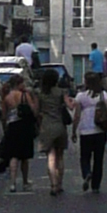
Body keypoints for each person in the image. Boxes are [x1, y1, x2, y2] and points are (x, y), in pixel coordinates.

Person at [73, 78, 107, 193]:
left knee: (85, 157)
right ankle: (96, 185)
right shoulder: (103, 95)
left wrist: (73, 131)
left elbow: (76, 115)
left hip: (85, 131)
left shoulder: (81, 96)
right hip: (100, 130)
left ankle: (87, 173)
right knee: (98, 159)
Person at [36, 69, 74, 197]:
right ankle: (60, 184)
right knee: (60, 156)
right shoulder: (61, 92)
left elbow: (36, 111)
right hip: (59, 126)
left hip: (46, 127)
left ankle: (53, 184)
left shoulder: (40, 94)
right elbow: (70, 106)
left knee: (51, 158)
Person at [0, 74, 38, 191]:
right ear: (19, 84)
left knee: (13, 156)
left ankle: (12, 182)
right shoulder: (25, 95)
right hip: (24, 127)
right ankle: (25, 181)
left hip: (12, 126)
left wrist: (5, 127)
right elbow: (33, 110)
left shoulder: (6, 97)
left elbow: (3, 116)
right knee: (24, 157)